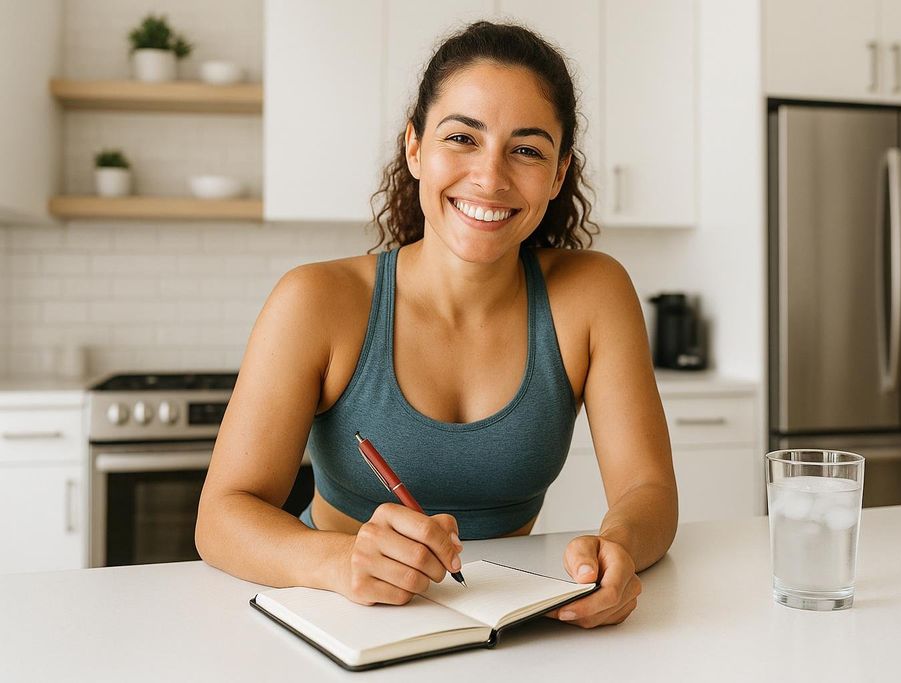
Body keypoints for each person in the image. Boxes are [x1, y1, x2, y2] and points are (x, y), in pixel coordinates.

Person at [196, 21, 676, 629]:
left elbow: (648, 490)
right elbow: (220, 517)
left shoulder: (593, 294)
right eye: (462, 138)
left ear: (558, 175)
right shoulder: (317, 299)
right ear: (415, 148)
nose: (491, 176)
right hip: (345, 616)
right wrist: (340, 561)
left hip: (507, 619)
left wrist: (619, 547)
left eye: (526, 149)